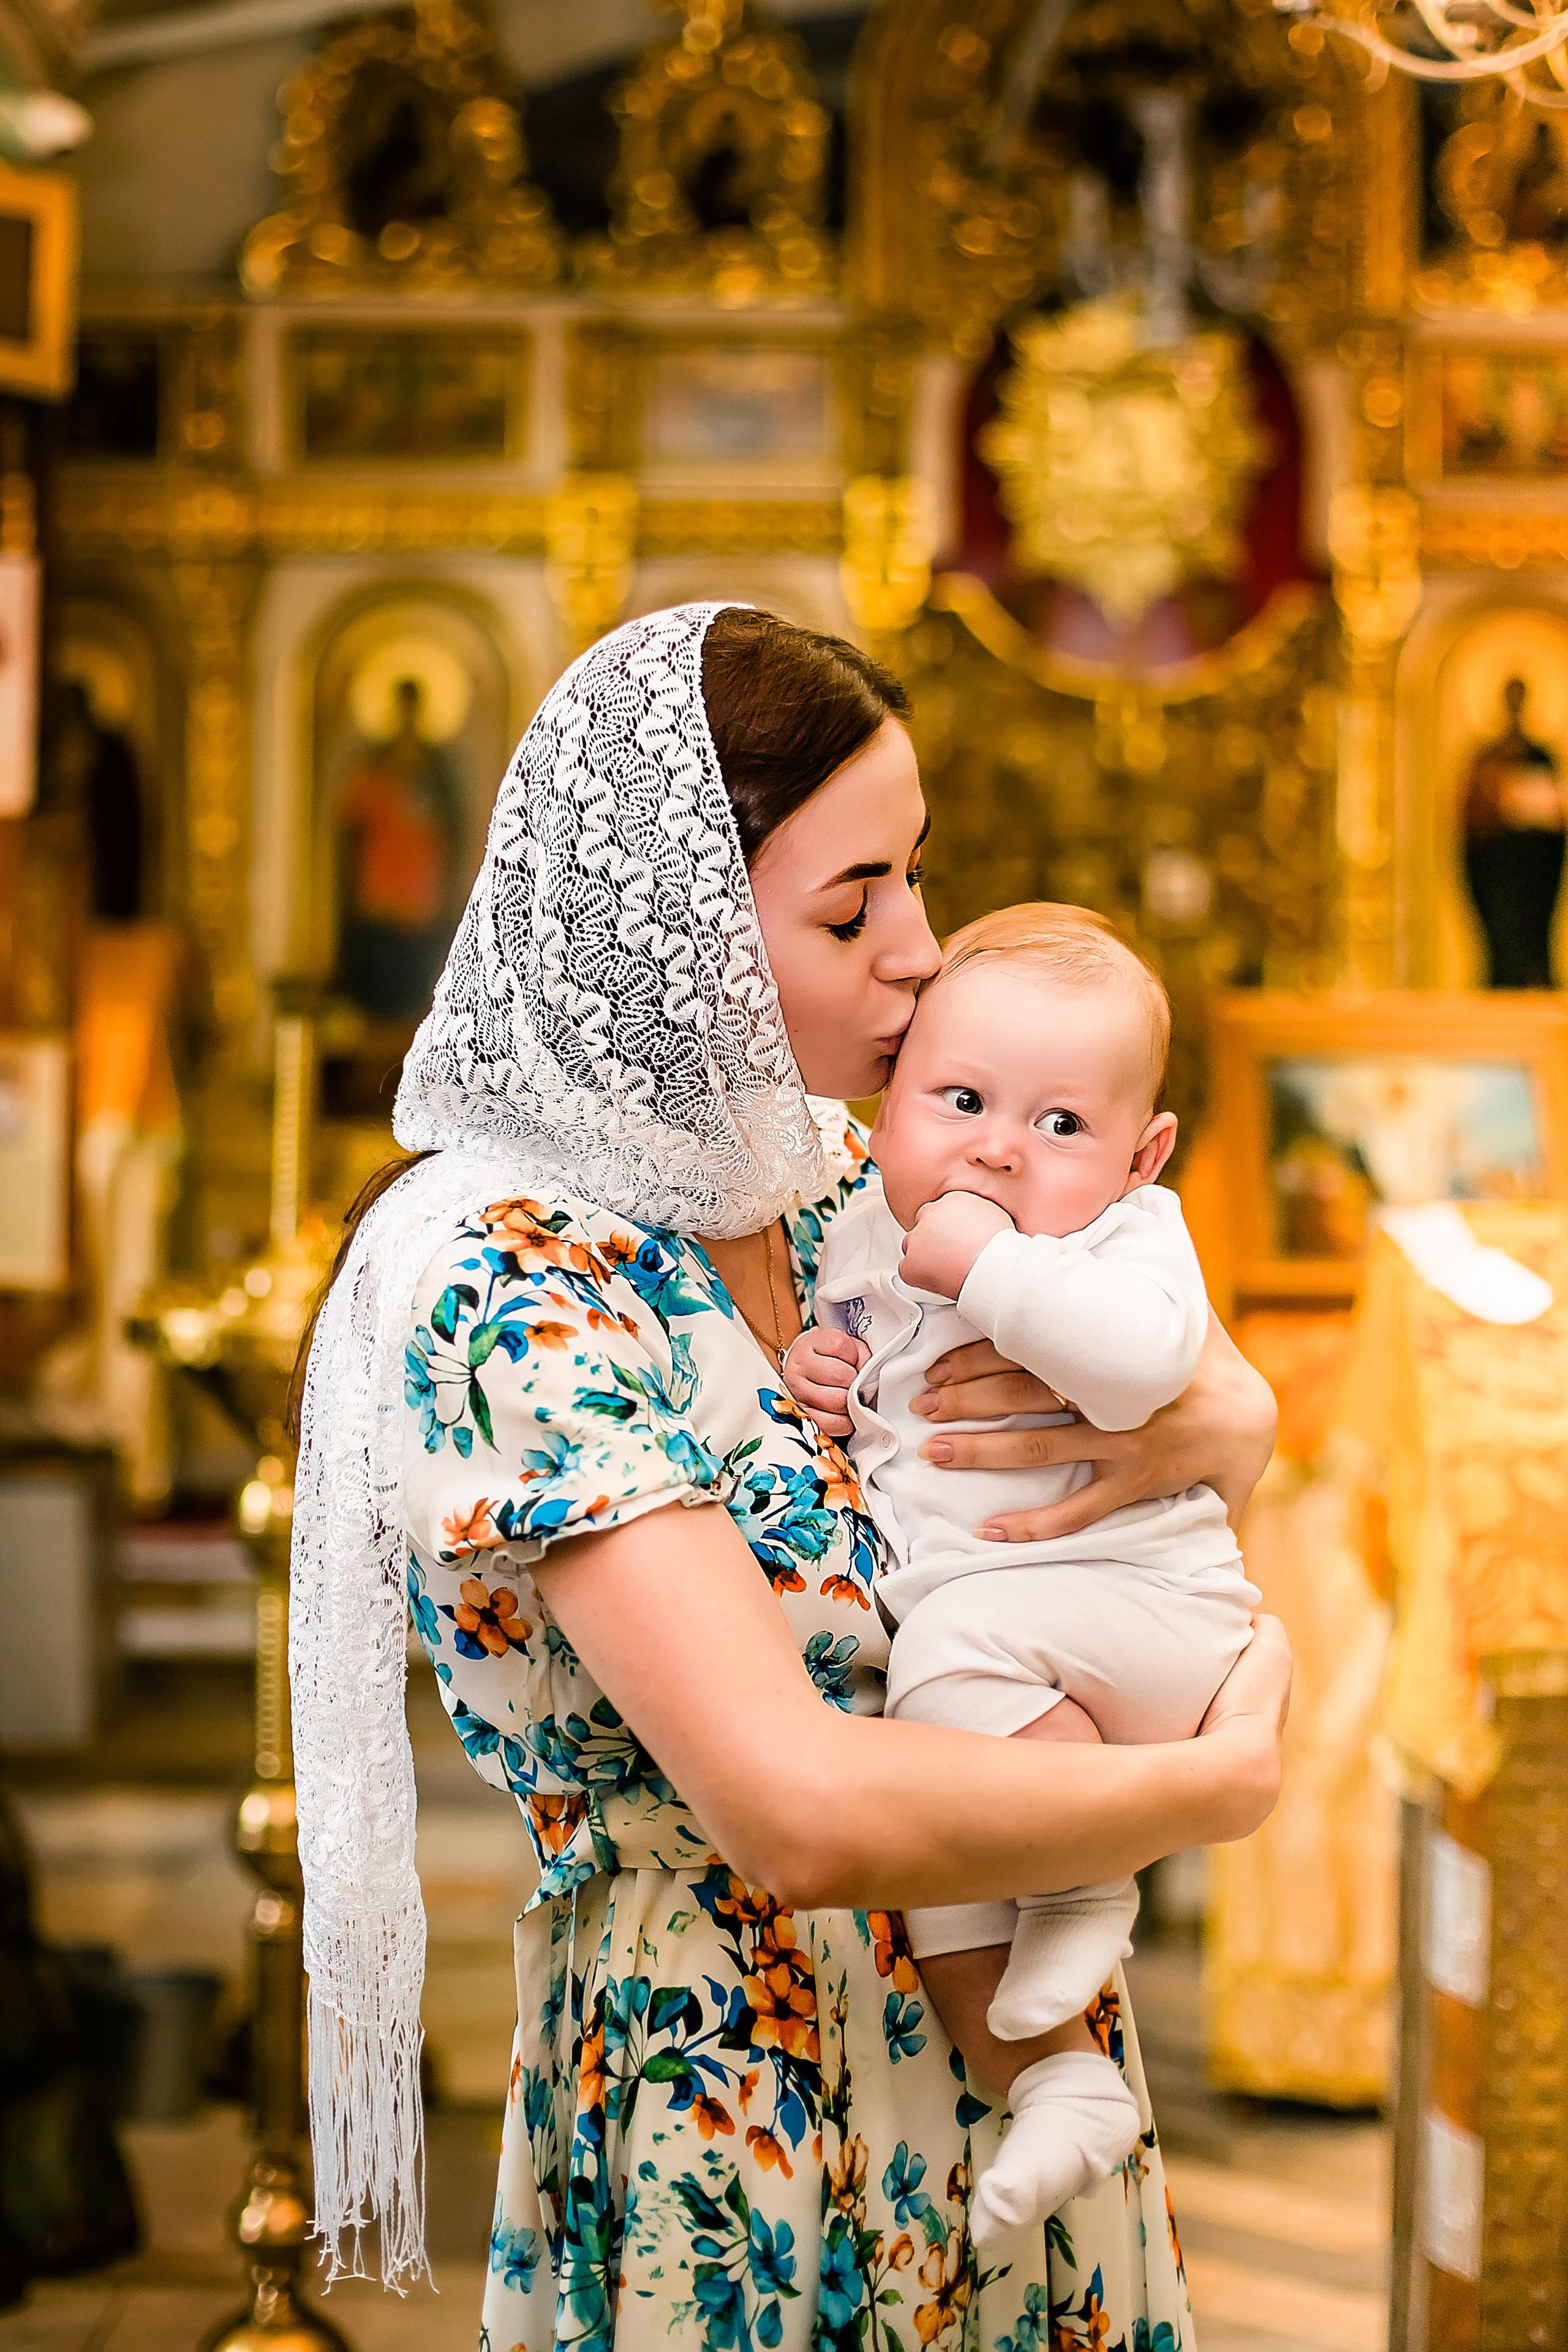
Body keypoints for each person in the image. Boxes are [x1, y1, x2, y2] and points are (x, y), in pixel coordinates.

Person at [288, 602, 1290, 2348]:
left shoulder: (843, 1174)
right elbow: (797, 1804)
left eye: (917, 876)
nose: (921, 951)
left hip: (1023, 2075)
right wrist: (1214, 1791)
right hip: (740, 2096)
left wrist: (1235, 1427)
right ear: (683, 932)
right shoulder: (510, 1274)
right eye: (856, 903)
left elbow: (1172, 1398)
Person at [783, 903, 1259, 2248]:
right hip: (1003, 1653)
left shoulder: (1121, 1241)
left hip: (1140, 1611)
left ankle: (1085, 1874)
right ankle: (1052, 2082)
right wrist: (819, 1372)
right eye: (961, 1099)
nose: (997, 1145)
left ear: (1140, 1152)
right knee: (933, 1829)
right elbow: (862, 1376)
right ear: (884, 1110)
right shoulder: (860, 1237)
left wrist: (989, 1268)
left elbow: (1138, 1369)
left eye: (1060, 1125)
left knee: (945, 1673)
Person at [1462, 674, 1566, 990]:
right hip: (1498, 870)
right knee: (1502, 935)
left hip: (1535, 869)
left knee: (1533, 935)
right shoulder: (1487, 756)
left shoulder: (1541, 757)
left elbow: (1557, 815)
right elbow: (1471, 821)